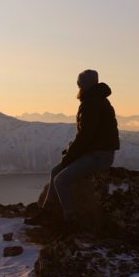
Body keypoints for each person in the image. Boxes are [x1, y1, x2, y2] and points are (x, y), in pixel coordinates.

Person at [25, 69, 120, 229]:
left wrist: (69, 156)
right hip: (96, 152)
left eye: (79, 83)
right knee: (55, 171)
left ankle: (71, 221)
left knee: (60, 180)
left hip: (98, 156)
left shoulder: (92, 103)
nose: (78, 87)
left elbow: (86, 136)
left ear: (84, 84)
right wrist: (71, 150)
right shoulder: (96, 100)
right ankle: (47, 212)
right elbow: (89, 135)